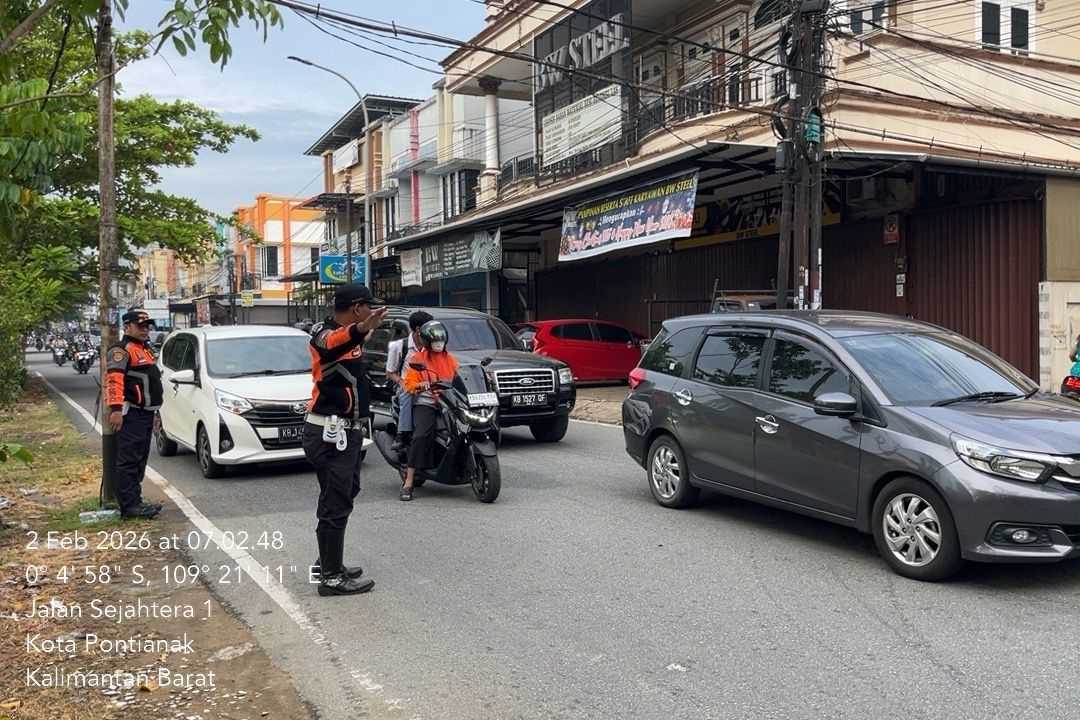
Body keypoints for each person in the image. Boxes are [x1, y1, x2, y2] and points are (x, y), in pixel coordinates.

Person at [303, 284, 388, 597]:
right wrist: (363, 328)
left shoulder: (352, 335)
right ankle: (331, 578)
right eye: (368, 307)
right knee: (335, 502)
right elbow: (332, 345)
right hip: (328, 432)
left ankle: (326, 562)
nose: (371, 313)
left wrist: (365, 330)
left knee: (344, 493)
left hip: (346, 432)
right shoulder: (323, 333)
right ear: (356, 309)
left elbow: (351, 355)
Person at [105, 309, 164, 519]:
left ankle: (135, 501)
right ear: (127, 327)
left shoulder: (144, 349)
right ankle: (129, 507)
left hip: (146, 414)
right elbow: (114, 381)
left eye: (147, 326)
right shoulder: (121, 351)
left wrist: (155, 413)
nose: (145, 329)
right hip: (130, 414)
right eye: (140, 326)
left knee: (139, 459)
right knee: (129, 460)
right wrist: (115, 411)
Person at [400, 321, 459, 502]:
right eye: (435, 340)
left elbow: (460, 375)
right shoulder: (418, 359)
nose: (439, 343)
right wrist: (419, 385)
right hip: (427, 403)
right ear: (426, 341)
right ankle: (408, 482)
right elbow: (408, 383)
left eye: (441, 339)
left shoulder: (450, 358)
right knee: (421, 435)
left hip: (449, 402)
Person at [386, 310, 433, 453]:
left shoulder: (432, 346)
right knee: (407, 391)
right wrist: (402, 382)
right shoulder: (399, 346)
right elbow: (390, 373)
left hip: (429, 385)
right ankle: (402, 434)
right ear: (418, 329)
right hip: (408, 385)